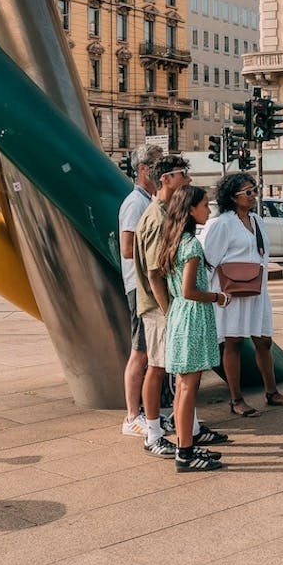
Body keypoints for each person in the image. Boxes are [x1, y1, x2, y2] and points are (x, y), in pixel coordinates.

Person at [135, 155, 227, 458]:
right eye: (181, 175)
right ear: (165, 179)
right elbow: (154, 273)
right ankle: (163, 437)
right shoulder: (159, 220)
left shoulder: (171, 222)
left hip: (177, 310)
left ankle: (189, 433)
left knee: (181, 379)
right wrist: (169, 310)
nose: (186, 180)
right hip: (170, 309)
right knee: (164, 370)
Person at [203, 172, 283, 416]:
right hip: (231, 292)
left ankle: (272, 392)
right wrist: (211, 297)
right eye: (248, 192)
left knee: (264, 340)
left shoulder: (256, 219)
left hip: (256, 290)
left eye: (255, 190)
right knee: (233, 342)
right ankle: (236, 400)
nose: (254, 195)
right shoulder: (221, 223)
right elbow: (209, 261)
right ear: (233, 197)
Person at [156, 186, 225, 472]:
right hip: (192, 316)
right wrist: (218, 297)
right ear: (190, 211)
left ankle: (187, 444)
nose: (208, 211)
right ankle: (185, 452)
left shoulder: (172, 241)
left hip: (179, 316)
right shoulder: (192, 245)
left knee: (184, 387)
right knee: (188, 387)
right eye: (205, 206)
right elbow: (190, 290)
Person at [119, 142, 162, 437]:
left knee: (148, 351)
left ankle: (144, 412)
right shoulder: (136, 203)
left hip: (147, 285)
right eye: (158, 165)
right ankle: (132, 416)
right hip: (140, 286)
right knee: (140, 351)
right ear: (144, 169)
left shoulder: (148, 200)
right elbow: (126, 248)